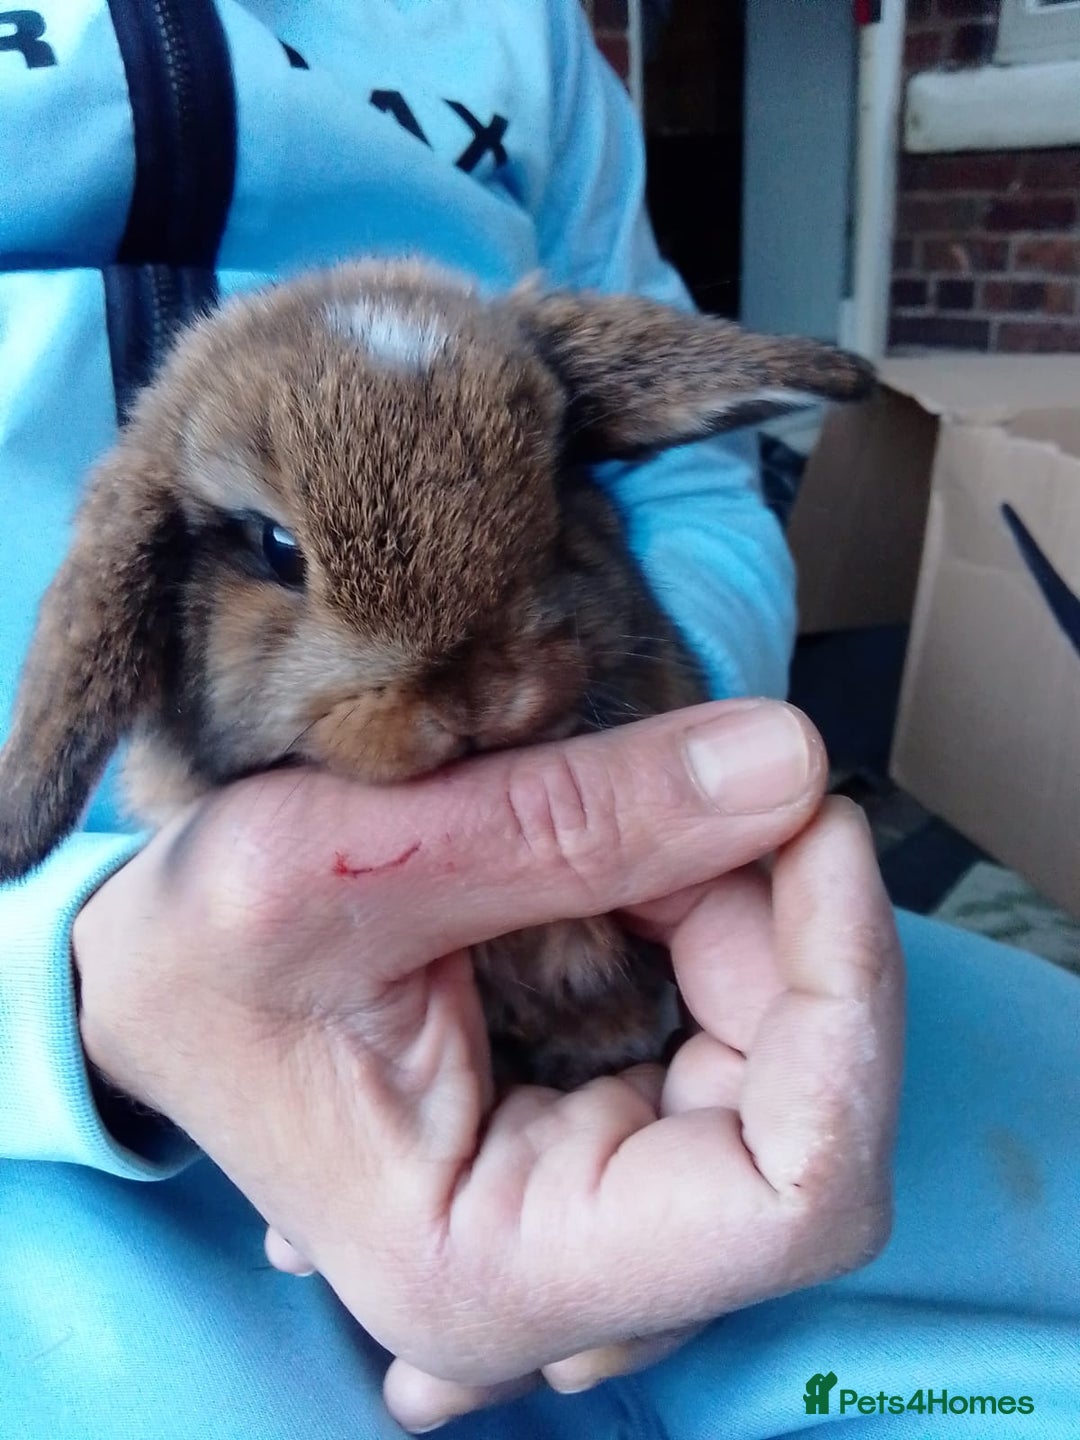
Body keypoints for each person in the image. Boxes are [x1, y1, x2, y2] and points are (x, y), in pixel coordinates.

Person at [0, 3, 1076, 1437]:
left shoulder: (518, 31)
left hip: (667, 941)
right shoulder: (159, 536)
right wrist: (77, 984)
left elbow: (694, 488)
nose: (482, 705)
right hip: (98, 1076)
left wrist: (657, 743)